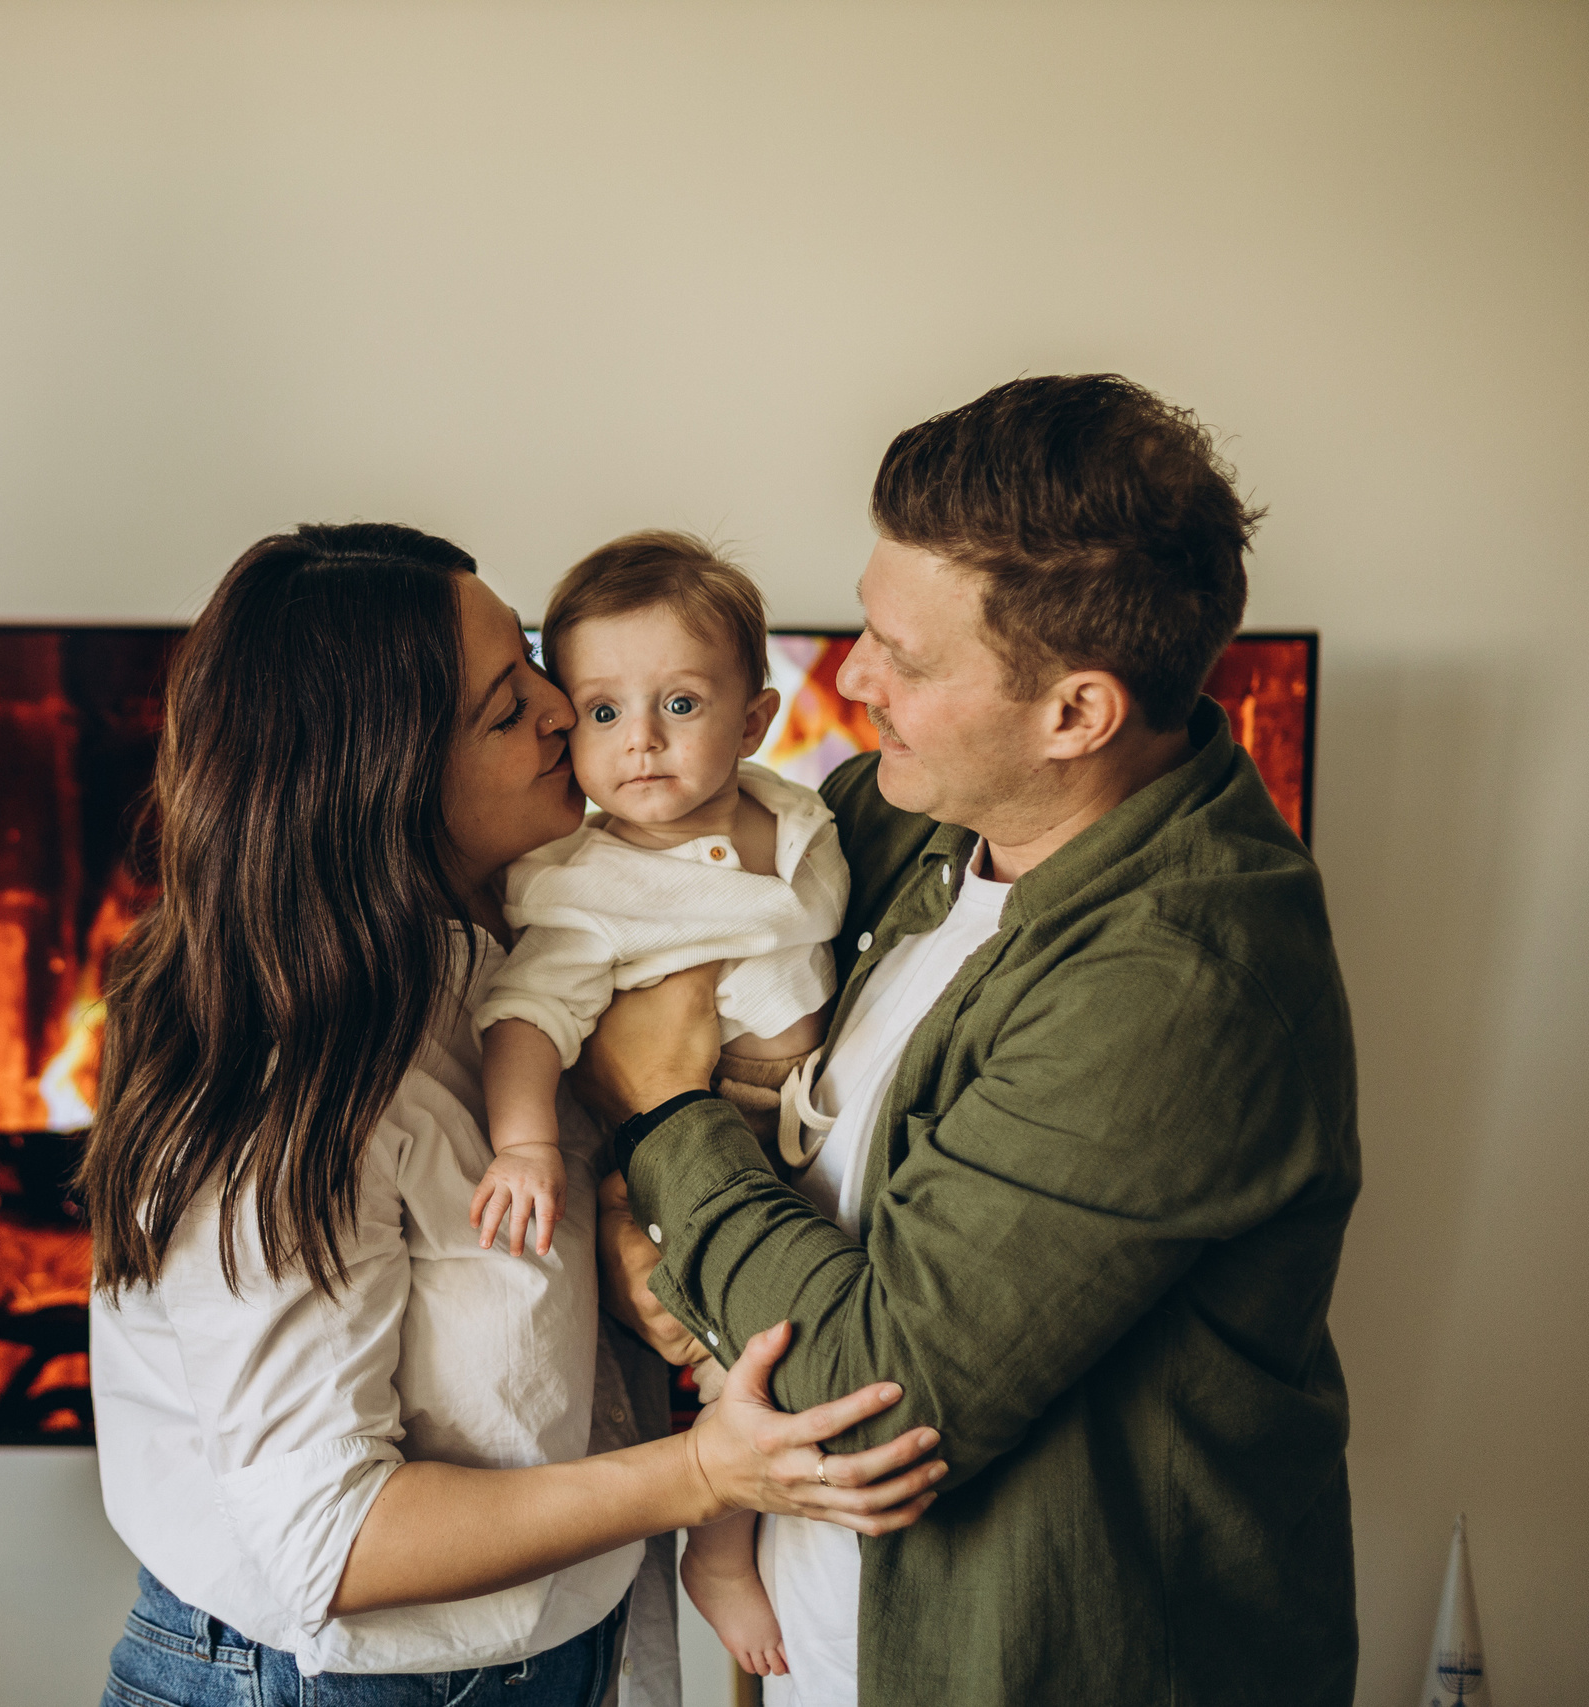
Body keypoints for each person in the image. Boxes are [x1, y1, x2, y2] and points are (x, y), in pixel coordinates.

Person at [583, 376, 1359, 1707]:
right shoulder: (893, 820)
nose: (852, 676)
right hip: (830, 1648)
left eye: (907, 656)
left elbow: (872, 1395)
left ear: (1076, 714)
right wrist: (626, 1231)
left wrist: (659, 1114)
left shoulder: (1180, 981)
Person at [81, 523, 943, 1707]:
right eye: (505, 708)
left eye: (536, 665)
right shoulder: (286, 1089)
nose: (562, 709)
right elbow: (330, 1544)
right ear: (385, 776)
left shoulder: (539, 946)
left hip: (548, 1654)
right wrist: (705, 1476)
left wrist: (630, 1246)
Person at [467, 531, 849, 1679]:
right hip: (687, 1160)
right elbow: (526, 1018)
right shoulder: (585, 889)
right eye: (601, 711)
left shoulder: (798, 818)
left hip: (794, 1146)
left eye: (679, 703)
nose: (639, 739)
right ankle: (717, 1556)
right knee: (748, 1358)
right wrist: (524, 1143)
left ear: (755, 719)